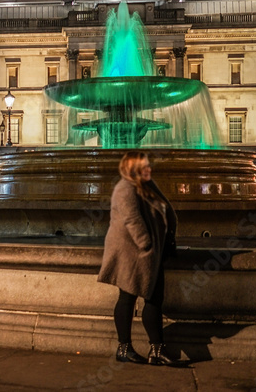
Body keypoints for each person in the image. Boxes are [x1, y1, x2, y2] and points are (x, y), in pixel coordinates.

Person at [97, 151, 180, 366]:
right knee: (128, 297)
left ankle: (157, 350)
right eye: (144, 166)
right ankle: (124, 348)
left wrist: (168, 235)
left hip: (151, 252)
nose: (148, 168)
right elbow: (132, 219)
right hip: (131, 252)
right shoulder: (124, 188)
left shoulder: (146, 185)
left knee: (154, 298)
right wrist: (147, 245)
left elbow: (166, 209)